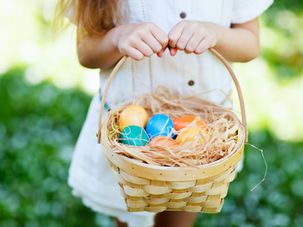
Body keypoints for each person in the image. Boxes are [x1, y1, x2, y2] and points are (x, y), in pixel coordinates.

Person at [56, 0, 273, 226]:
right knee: (130, 218)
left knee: (179, 219)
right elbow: (86, 54)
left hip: (201, 143)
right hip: (128, 146)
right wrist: (116, 38)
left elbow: (250, 44)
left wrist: (215, 33)